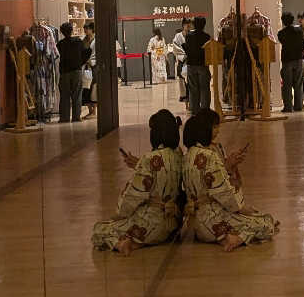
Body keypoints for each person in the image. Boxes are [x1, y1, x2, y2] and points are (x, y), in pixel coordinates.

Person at [182, 108, 278, 250]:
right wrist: (240, 208)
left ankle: (226, 236)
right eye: (214, 127)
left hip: (197, 222)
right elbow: (224, 193)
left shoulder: (188, 155)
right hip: (213, 221)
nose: (218, 130)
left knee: (258, 215)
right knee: (266, 223)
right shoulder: (209, 156)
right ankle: (236, 238)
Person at [92, 108, 183, 253]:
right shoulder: (178, 154)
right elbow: (164, 172)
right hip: (172, 222)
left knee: (99, 229)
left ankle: (120, 244)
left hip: (150, 223)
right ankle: (136, 241)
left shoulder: (150, 159)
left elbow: (132, 197)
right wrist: (139, 164)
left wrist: (118, 215)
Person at [57, 20, 88, 123]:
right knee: (77, 94)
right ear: (72, 30)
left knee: (64, 95)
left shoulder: (60, 44)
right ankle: (76, 117)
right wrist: (81, 63)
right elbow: (87, 52)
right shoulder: (78, 42)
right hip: (76, 71)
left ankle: (64, 118)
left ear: (62, 32)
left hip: (65, 72)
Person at [277, 11, 304, 113]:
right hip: (298, 59)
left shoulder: (281, 34)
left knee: (287, 85)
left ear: (283, 22)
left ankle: (288, 107)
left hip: (287, 61)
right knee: (298, 84)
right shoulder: (299, 30)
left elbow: (283, 42)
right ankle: (298, 106)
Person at [184, 14, 211, 113]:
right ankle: (205, 110)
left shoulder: (189, 36)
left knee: (193, 88)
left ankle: (194, 109)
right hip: (203, 65)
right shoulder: (206, 36)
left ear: (194, 24)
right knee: (205, 88)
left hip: (191, 65)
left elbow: (187, 48)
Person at [172, 17, 191, 102]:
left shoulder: (192, 34)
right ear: (183, 25)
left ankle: (191, 96)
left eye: (189, 25)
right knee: (182, 79)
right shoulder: (178, 36)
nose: (189, 27)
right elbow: (176, 48)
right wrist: (184, 55)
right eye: (187, 25)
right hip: (182, 60)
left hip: (191, 61)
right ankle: (184, 96)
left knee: (190, 80)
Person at [82, 20, 97, 117]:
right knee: (86, 88)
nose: (85, 31)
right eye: (84, 29)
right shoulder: (84, 40)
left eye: (86, 29)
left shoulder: (96, 40)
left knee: (93, 88)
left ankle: (94, 111)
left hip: (94, 66)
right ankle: (90, 110)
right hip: (86, 66)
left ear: (91, 29)